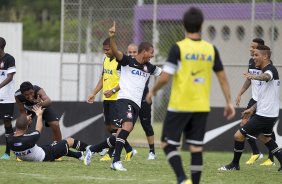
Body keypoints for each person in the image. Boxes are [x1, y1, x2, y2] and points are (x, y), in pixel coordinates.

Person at [146, 7, 236, 184]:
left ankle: (182, 178)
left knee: (167, 143)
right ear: (201, 25)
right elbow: (223, 77)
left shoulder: (178, 48)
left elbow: (165, 77)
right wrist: (229, 102)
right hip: (201, 106)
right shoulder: (211, 49)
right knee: (196, 147)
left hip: (180, 105)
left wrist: (152, 91)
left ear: (183, 25)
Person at [83, 21, 162, 171]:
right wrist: (112, 37)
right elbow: (116, 51)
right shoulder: (127, 61)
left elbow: (165, 75)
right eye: (151, 52)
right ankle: (116, 162)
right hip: (124, 100)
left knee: (119, 135)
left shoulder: (149, 67)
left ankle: (92, 150)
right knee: (127, 126)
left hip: (136, 104)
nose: (152, 55)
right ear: (144, 51)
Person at [219, 45, 282, 172]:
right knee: (265, 138)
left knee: (238, 136)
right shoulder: (265, 70)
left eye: (256, 55)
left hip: (264, 115)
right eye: (253, 55)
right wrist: (252, 108)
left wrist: (254, 77)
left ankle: (235, 165)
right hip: (267, 113)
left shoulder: (270, 70)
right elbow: (264, 97)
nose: (254, 58)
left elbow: (266, 76)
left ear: (265, 56)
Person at [87, 38, 136, 161]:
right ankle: (129, 149)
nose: (106, 52)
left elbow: (126, 81)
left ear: (113, 48)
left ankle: (110, 153)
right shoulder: (106, 60)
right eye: (104, 50)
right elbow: (103, 78)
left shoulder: (121, 62)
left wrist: (113, 90)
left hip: (118, 99)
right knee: (109, 127)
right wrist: (93, 93)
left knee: (116, 127)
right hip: (107, 98)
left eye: (108, 49)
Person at [235, 38, 276, 166]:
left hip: (263, 101)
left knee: (265, 132)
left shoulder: (266, 65)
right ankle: (256, 153)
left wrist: (254, 76)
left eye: (254, 48)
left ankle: (270, 158)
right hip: (255, 99)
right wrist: (240, 93)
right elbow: (249, 79)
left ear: (261, 50)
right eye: (251, 47)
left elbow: (266, 77)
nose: (251, 50)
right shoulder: (251, 61)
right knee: (246, 124)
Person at [7, 105, 88, 162]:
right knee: (69, 141)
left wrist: (26, 121)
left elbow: (20, 127)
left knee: (56, 144)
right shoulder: (29, 139)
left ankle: (79, 155)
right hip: (46, 155)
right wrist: (39, 115)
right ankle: (91, 149)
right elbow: (39, 129)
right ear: (26, 127)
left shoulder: (10, 139)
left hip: (38, 152)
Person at [127, 43, 156, 160]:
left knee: (146, 125)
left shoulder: (147, 66)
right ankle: (118, 150)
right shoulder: (126, 64)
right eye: (130, 52)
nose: (132, 54)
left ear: (139, 52)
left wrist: (151, 92)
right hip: (130, 99)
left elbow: (161, 74)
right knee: (125, 126)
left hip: (143, 99)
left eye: (134, 52)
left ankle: (152, 152)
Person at [0, 37, 16, 160]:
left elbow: (10, 77)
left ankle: (7, 153)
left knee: (7, 123)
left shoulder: (9, 59)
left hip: (7, 98)